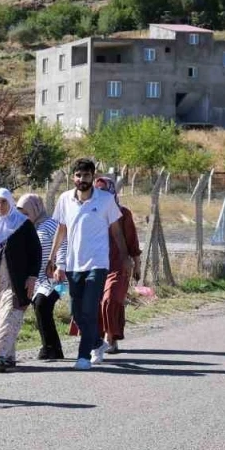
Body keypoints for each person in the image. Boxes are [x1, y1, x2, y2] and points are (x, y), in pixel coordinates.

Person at [47, 158, 132, 370]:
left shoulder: (105, 200)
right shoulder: (65, 199)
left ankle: (83, 356)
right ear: (73, 177)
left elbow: (116, 231)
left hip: (98, 263)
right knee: (76, 312)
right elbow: (61, 230)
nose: (81, 179)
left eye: (86, 175)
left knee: (89, 308)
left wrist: (125, 257)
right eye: (78, 175)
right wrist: (52, 256)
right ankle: (96, 342)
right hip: (74, 263)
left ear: (93, 177)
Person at [0, 188, 41, 372]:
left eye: (3, 202)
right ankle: (8, 357)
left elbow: (36, 253)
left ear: (11, 203)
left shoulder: (23, 224)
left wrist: (32, 277)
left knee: (9, 316)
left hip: (16, 282)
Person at [94, 175, 142, 354]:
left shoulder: (123, 213)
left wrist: (137, 265)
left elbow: (132, 243)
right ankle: (100, 339)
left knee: (111, 299)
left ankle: (110, 337)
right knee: (96, 302)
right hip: (95, 264)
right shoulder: (91, 213)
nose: (101, 195)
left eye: (104, 191)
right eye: (97, 192)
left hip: (118, 265)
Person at [16, 192, 66, 361]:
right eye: (20, 213)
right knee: (41, 308)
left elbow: (63, 244)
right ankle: (54, 348)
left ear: (36, 209)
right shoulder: (26, 229)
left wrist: (60, 266)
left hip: (57, 279)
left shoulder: (51, 225)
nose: (24, 217)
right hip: (38, 281)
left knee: (42, 305)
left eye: (26, 213)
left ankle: (48, 347)